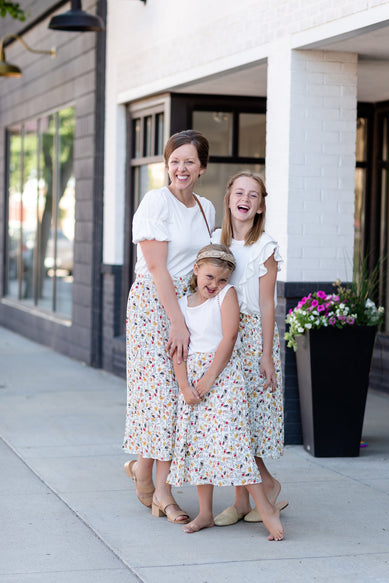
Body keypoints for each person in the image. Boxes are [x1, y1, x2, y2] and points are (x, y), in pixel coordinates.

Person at [123, 130, 215, 525]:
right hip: (154, 306)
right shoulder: (155, 202)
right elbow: (158, 268)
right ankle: (162, 491)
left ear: (202, 168)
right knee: (160, 394)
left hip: (189, 304)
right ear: (167, 164)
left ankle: (144, 470)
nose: (181, 168)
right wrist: (176, 322)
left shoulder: (207, 208)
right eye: (175, 161)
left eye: (189, 162)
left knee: (177, 397)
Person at [167, 244, 284, 540]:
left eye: (221, 280)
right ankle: (205, 513)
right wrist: (184, 385)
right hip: (192, 378)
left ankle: (265, 507)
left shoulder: (226, 297)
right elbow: (177, 350)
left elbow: (229, 338)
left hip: (221, 378)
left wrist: (208, 379)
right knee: (198, 444)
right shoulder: (182, 305)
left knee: (234, 441)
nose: (214, 285)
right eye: (209, 277)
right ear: (196, 270)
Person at [211, 171, 286, 527]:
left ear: (259, 207)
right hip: (221, 337)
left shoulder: (265, 247)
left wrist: (267, 354)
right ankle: (248, 496)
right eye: (239, 192)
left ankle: (257, 490)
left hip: (252, 337)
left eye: (253, 195)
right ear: (229, 198)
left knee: (248, 421)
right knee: (228, 420)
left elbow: (269, 305)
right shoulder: (215, 241)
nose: (245, 199)